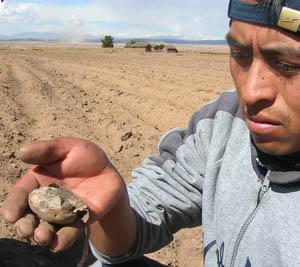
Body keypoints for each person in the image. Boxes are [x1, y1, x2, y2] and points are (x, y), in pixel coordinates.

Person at [3, 0, 300, 266]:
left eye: (288, 66)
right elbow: (132, 233)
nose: (249, 93)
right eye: (239, 54)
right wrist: (114, 206)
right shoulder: (220, 125)